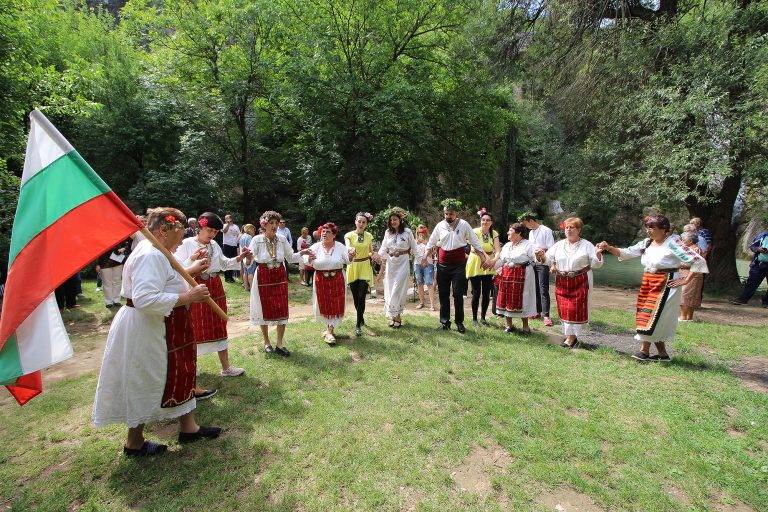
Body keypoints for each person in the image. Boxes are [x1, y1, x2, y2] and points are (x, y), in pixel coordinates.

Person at [92, 207, 221, 457]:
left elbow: (167, 279)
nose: (183, 236)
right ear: (164, 229)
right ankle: (135, 442)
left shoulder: (161, 252)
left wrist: (190, 268)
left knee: (180, 371)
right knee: (144, 378)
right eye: (181, 230)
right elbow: (144, 298)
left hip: (167, 325)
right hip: (147, 328)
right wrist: (188, 296)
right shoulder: (149, 254)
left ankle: (189, 427)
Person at [598, 215, 708, 361]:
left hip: (666, 282)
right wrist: (608, 248)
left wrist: (686, 280)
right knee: (649, 315)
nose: (648, 230)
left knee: (654, 317)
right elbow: (626, 252)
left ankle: (644, 351)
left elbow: (697, 261)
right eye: (647, 227)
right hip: (648, 281)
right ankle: (662, 354)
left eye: (652, 227)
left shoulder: (673, 243)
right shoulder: (647, 243)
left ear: (664, 230)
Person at [175, 212, 251, 385]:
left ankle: (226, 367)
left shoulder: (215, 244)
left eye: (215, 232)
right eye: (209, 230)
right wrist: (192, 259)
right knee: (194, 325)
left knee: (219, 322)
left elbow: (223, 264)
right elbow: (178, 269)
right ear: (200, 227)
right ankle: (192, 369)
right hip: (195, 285)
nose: (212, 234)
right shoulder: (186, 244)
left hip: (215, 285)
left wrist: (239, 258)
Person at [247, 211, 312, 356]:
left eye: (277, 223)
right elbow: (250, 260)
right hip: (263, 274)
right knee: (262, 308)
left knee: (281, 308)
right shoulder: (257, 239)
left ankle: (280, 343)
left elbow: (290, 257)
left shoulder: (282, 239)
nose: (275, 226)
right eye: (272, 223)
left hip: (279, 275)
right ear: (264, 224)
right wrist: (247, 259)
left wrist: (303, 253)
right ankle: (266, 342)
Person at [537, 217, 604, 348]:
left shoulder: (587, 245)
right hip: (562, 280)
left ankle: (572, 337)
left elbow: (596, 264)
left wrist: (598, 254)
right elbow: (547, 260)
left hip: (581, 280)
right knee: (564, 307)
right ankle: (570, 336)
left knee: (576, 308)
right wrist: (540, 255)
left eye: (572, 227)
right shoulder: (559, 245)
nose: (568, 230)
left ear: (579, 230)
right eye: (567, 227)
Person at [423, 199, 488, 333]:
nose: (448, 217)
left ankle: (459, 322)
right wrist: (425, 257)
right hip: (443, 264)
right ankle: (445, 322)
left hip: (459, 264)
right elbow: (431, 242)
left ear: (456, 213)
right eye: (446, 214)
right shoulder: (440, 225)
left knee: (458, 294)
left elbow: (474, 241)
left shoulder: (464, 225)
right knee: (443, 294)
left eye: (451, 214)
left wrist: (482, 258)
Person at [309, 223, 355, 344]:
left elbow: (348, 261)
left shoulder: (340, 246)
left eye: (328, 232)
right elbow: (308, 262)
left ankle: (330, 331)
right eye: (323, 231)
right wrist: (308, 258)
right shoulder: (315, 247)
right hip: (320, 279)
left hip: (337, 278)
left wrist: (351, 256)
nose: (324, 233)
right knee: (323, 303)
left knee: (336, 302)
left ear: (334, 235)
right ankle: (329, 329)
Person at [378, 208, 417, 328]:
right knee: (389, 289)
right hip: (391, 264)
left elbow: (414, 248)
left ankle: (397, 315)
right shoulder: (387, 233)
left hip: (403, 263)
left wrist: (420, 260)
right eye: (391, 220)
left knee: (397, 289)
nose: (393, 222)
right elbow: (383, 248)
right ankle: (394, 317)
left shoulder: (407, 232)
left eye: (395, 219)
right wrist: (377, 256)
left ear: (400, 220)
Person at [495, 223, 537, 333]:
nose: (508, 233)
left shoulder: (528, 245)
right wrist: (492, 265)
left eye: (510, 230)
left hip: (523, 274)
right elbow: (501, 260)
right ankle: (509, 325)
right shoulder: (507, 245)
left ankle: (525, 327)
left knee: (523, 298)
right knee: (506, 297)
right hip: (507, 274)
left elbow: (536, 258)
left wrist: (540, 255)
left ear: (518, 233)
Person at [344, 212, 378, 336]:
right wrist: (350, 249)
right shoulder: (349, 235)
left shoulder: (369, 236)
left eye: (364, 222)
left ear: (366, 224)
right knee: (355, 297)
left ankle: (358, 324)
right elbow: (348, 246)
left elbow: (370, 252)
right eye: (359, 221)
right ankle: (361, 316)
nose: (361, 224)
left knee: (361, 296)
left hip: (364, 266)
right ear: (355, 222)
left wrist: (373, 256)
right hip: (353, 266)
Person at [466, 208, 501, 326]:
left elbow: (497, 249)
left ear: (491, 222)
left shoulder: (494, 233)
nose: (485, 222)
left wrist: (494, 260)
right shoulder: (474, 231)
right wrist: (488, 259)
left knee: (487, 293)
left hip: (489, 264)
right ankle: (474, 318)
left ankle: (483, 318)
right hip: (476, 262)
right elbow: (477, 247)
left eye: (487, 220)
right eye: (483, 219)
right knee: (476, 292)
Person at [520, 212, 555, 327]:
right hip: (533, 261)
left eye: (526, 223)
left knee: (543, 288)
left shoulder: (546, 230)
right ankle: (537, 311)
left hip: (543, 261)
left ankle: (546, 315)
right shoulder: (531, 232)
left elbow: (551, 247)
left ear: (531, 221)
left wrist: (542, 253)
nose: (526, 226)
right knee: (534, 288)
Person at [730, 229, 768, 308]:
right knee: (751, 283)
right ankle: (743, 299)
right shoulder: (762, 236)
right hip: (758, 264)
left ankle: (766, 302)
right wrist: (758, 249)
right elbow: (752, 246)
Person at [95, 237, 132, 309]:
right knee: (107, 283)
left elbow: (128, 243)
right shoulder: (99, 236)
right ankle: (108, 302)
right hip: (104, 262)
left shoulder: (119, 234)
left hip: (118, 261)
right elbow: (96, 250)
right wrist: (97, 264)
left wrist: (124, 248)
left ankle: (116, 300)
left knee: (117, 281)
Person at [679, 231, 704, 321]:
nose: (681, 241)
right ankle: (688, 317)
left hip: (691, 276)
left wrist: (679, 264)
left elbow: (696, 264)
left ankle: (683, 317)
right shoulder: (690, 249)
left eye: (683, 239)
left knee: (685, 295)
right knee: (689, 296)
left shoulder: (695, 249)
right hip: (689, 275)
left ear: (690, 241)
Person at [413, 225, 436, 311]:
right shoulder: (414, 242)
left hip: (428, 263)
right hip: (417, 264)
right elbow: (412, 252)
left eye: (423, 232)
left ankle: (432, 305)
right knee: (419, 283)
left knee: (429, 283)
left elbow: (432, 252)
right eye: (419, 232)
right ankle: (422, 302)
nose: (421, 233)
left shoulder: (430, 241)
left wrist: (425, 243)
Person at [221, 214, 241, 282]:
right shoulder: (224, 225)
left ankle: (231, 276)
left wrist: (237, 242)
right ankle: (227, 277)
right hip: (226, 245)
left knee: (233, 260)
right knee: (227, 260)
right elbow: (224, 231)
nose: (227, 220)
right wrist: (228, 224)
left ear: (231, 219)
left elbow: (239, 234)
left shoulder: (236, 226)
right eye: (226, 219)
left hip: (234, 246)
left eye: (228, 218)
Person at [239, 224, 256, 291]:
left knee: (245, 272)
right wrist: (249, 258)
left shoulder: (242, 236)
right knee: (251, 273)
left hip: (243, 257)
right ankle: (252, 288)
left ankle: (246, 287)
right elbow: (250, 249)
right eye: (253, 229)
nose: (254, 231)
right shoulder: (249, 237)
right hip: (249, 257)